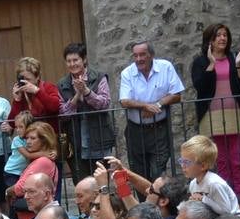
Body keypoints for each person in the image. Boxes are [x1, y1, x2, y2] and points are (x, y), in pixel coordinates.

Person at [190, 23, 240, 195]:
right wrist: (211, 64)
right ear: (210, 39)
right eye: (218, 35)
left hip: (236, 115)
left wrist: (239, 64)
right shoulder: (200, 61)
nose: (222, 38)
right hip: (211, 117)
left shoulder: (233, 58)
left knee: (238, 158)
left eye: (225, 35)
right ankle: (227, 196)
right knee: (222, 160)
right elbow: (200, 86)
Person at [118, 41, 185, 182]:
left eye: (142, 54)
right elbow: (124, 100)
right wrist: (144, 106)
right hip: (135, 130)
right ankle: (144, 204)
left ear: (151, 55)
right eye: (135, 55)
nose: (138, 59)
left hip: (159, 129)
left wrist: (157, 105)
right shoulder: (127, 73)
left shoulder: (165, 67)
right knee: (138, 172)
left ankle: (158, 203)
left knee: (157, 171)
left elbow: (177, 95)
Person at [57, 42, 116, 179]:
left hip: (99, 138)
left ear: (84, 60)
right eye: (69, 61)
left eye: (75, 60)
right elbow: (63, 113)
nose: (72, 64)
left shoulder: (99, 77)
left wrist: (87, 91)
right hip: (75, 141)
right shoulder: (62, 84)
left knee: (101, 183)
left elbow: (104, 103)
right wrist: (77, 96)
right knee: (81, 183)